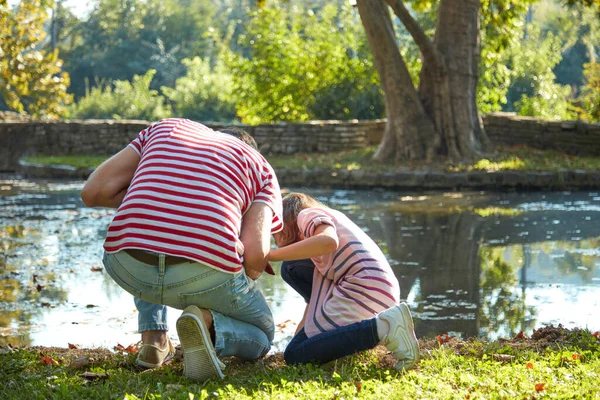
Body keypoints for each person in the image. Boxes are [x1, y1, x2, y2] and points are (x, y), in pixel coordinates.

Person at [81, 118, 283, 382]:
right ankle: (207, 323)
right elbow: (256, 256)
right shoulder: (260, 167)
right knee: (263, 335)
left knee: (156, 234)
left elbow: (92, 192)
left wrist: (155, 203)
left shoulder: (166, 129)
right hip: (206, 274)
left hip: (126, 262)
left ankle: (153, 341)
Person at [268, 192, 419, 370]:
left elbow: (328, 240)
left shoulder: (306, 214)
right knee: (296, 349)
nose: (275, 239)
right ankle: (371, 329)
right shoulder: (324, 249)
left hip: (365, 287)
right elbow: (313, 302)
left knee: (295, 355)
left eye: (275, 232)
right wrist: (300, 338)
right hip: (375, 289)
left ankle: (384, 327)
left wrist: (270, 255)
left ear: (285, 221)